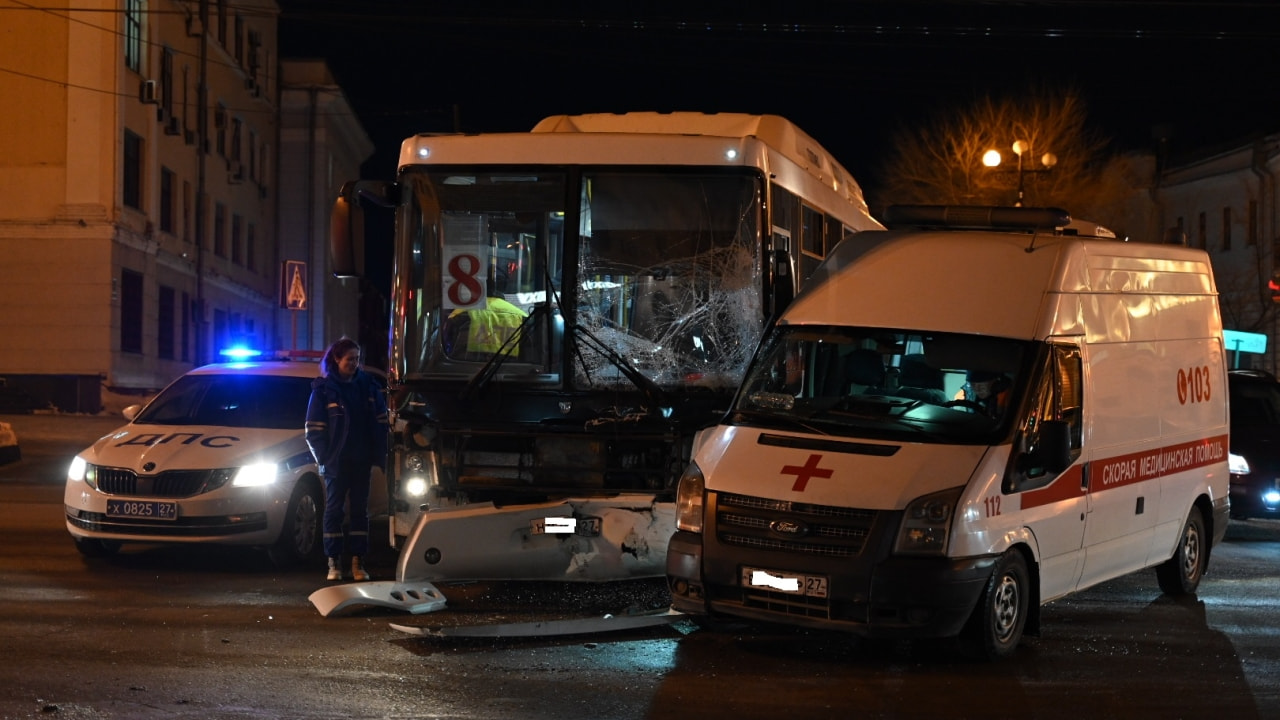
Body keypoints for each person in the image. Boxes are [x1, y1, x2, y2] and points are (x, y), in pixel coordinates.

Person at [305, 338, 389, 581]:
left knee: (360, 512)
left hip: (361, 459)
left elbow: (381, 422)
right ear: (336, 360)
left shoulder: (368, 387)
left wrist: (379, 453)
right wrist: (325, 459)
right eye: (350, 359)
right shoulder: (324, 390)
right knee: (334, 511)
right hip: (337, 462)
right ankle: (334, 563)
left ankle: (358, 562)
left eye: (357, 358)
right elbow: (314, 430)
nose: (355, 363)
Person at [444, 269, 528, 360]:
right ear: (504, 287)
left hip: (470, 372)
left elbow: (446, 348)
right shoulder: (521, 317)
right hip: (508, 372)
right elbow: (528, 357)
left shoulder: (461, 314)